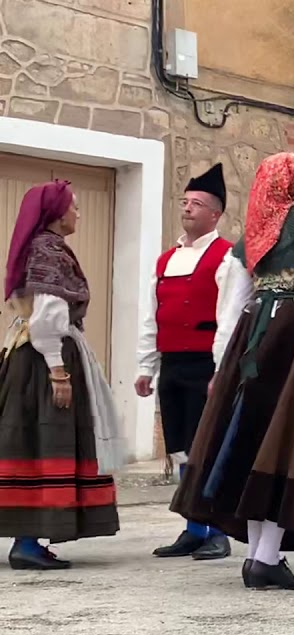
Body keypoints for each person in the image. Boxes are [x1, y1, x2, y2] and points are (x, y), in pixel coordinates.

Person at [169, 152, 294, 591]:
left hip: (253, 335)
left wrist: (224, 363)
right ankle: (265, 557)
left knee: (259, 438)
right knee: (289, 438)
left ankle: (260, 557)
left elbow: (232, 304)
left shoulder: (253, 234)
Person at [0, 180, 127, 569]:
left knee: (29, 440)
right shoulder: (49, 251)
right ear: (57, 214)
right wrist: (58, 372)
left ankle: (28, 538)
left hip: (28, 358)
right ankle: (26, 543)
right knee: (44, 439)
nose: (78, 214)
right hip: (44, 360)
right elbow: (47, 318)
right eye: (74, 207)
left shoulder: (38, 248)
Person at [137, 164, 235, 561]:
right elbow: (152, 316)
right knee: (180, 447)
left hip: (205, 364)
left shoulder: (226, 258)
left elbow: (230, 317)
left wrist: (221, 370)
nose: (187, 208)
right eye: (184, 202)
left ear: (215, 214)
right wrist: (146, 367)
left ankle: (218, 530)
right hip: (172, 363)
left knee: (205, 446)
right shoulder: (164, 261)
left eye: (197, 203)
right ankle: (194, 528)